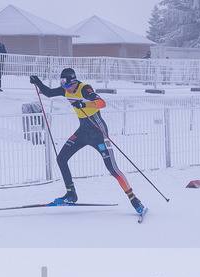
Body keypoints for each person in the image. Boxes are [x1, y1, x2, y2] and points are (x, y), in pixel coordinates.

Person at [29, 68, 146, 217]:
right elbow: (49, 93)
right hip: (83, 132)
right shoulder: (66, 90)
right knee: (61, 158)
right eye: (63, 86)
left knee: (112, 168)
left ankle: (134, 200)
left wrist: (84, 105)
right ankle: (71, 194)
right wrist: (37, 82)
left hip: (99, 134)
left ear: (73, 82)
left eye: (67, 86)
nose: (65, 90)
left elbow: (101, 103)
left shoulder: (85, 88)